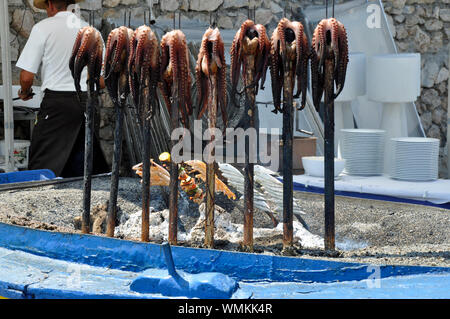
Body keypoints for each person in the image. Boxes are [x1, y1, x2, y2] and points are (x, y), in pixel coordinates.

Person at [16, 0, 108, 178]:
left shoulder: (43, 28)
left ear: (50, 4)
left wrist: (25, 92)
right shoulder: (91, 31)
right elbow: (103, 80)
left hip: (56, 104)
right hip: (86, 101)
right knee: (82, 165)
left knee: (42, 164)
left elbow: (26, 76)